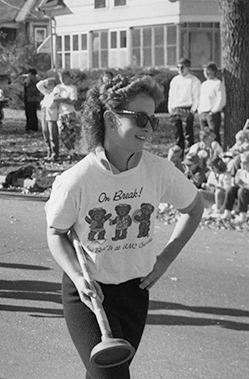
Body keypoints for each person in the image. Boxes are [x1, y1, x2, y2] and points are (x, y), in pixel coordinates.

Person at [45, 74, 203, 379]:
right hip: (89, 293)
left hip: (135, 291)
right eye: (140, 118)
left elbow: (194, 207)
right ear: (110, 118)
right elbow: (56, 233)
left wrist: (166, 258)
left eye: (153, 120)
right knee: (111, 375)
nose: (149, 127)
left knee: (105, 373)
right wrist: (77, 277)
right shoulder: (77, 180)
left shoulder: (158, 171)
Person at [168, 58, 201, 152]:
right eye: (178, 67)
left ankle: (188, 156)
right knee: (177, 136)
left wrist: (193, 110)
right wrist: (170, 108)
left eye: (182, 67)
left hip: (187, 109)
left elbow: (196, 96)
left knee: (188, 136)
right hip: (175, 109)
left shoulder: (194, 80)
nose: (180, 70)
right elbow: (171, 95)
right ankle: (178, 157)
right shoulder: (175, 80)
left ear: (188, 67)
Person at [197, 62, 226, 145]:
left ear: (214, 71)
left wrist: (213, 111)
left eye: (208, 70)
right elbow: (201, 98)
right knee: (204, 136)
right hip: (202, 113)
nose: (206, 72)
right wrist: (199, 110)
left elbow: (221, 99)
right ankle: (205, 151)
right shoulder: (203, 84)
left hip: (212, 114)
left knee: (213, 136)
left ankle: (216, 151)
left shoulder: (218, 83)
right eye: (204, 70)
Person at [53, 70, 79, 157]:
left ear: (68, 77)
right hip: (61, 113)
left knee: (71, 135)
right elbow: (55, 99)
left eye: (64, 77)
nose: (62, 79)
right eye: (61, 77)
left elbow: (73, 101)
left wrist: (61, 99)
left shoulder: (72, 88)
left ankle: (71, 152)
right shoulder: (58, 87)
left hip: (70, 113)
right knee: (62, 133)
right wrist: (66, 99)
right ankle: (70, 150)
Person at [37, 77, 60, 160]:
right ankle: (49, 151)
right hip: (44, 114)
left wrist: (44, 104)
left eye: (51, 84)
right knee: (45, 133)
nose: (49, 85)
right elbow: (38, 85)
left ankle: (54, 153)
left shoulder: (55, 92)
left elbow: (52, 104)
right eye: (48, 84)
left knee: (53, 135)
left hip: (51, 116)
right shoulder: (46, 92)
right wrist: (45, 81)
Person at [225, 153, 249, 223]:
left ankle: (243, 215)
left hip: (245, 193)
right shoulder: (240, 172)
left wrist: (243, 184)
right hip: (242, 193)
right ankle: (227, 212)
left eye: (245, 163)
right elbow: (235, 184)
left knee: (242, 191)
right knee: (231, 189)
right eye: (242, 163)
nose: (243, 165)